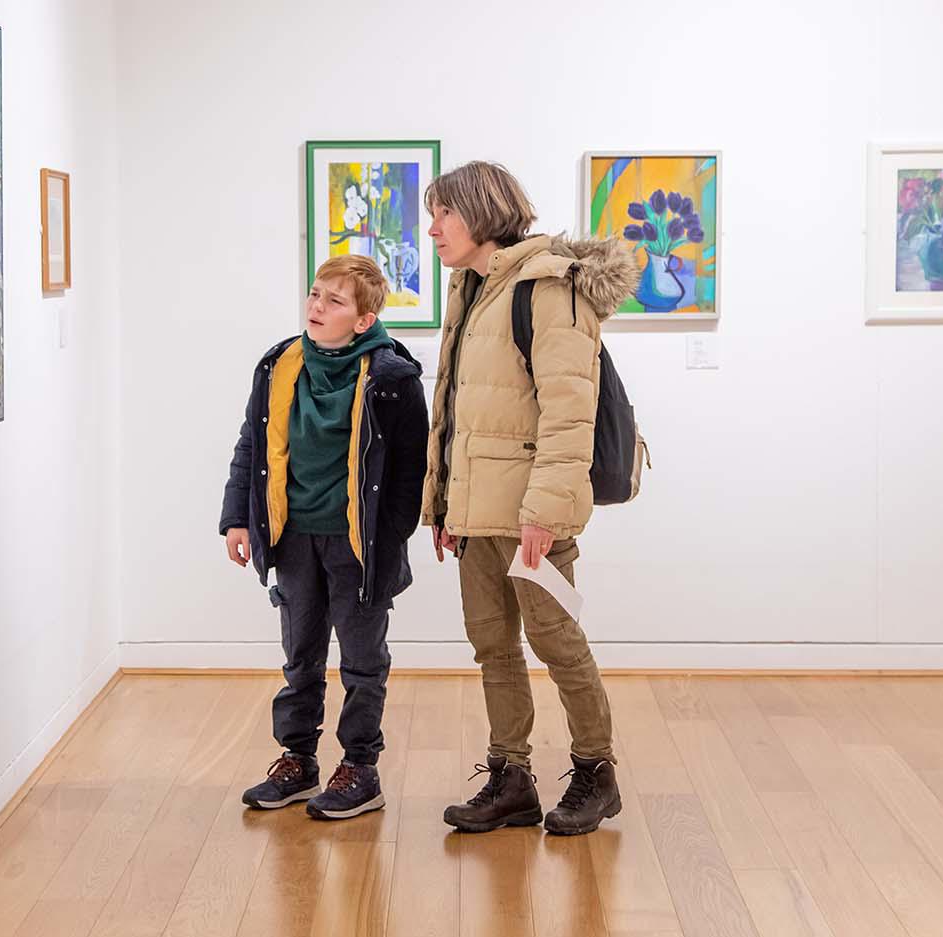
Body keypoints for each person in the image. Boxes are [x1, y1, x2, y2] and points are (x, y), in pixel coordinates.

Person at [421, 161, 639, 835]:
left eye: (443, 214)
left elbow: (569, 413)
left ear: (481, 212)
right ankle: (510, 776)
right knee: (492, 644)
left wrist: (544, 510)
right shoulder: (473, 287)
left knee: (556, 637)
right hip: (479, 513)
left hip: (531, 518)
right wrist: (443, 504)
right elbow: (459, 409)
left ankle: (596, 771)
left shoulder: (549, 287)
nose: (432, 229)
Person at [219, 254, 429, 820]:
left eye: (334, 301)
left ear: (363, 320)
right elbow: (252, 447)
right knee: (300, 657)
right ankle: (298, 759)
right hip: (292, 535)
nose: (316, 306)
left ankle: (360, 766)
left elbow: (414, 470)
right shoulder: (279, 365)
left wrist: (391, 537)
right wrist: (237, 516)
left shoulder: (392, 379)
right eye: (315, 294)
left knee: (362, 661)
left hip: (359, 546)